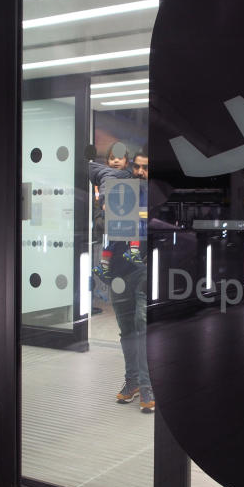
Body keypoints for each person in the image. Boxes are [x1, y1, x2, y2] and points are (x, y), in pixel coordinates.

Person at [89, 147, 154, 413]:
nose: (140, 172)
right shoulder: (119, 186)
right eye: (137, 167)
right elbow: (90, 168)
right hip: (118, 269)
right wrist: (103, 203)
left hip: (145, 269)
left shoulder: (154, 195)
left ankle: (147, 386)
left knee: (142, 325)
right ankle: (133, 382)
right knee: (127, 329)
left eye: (145, 168)